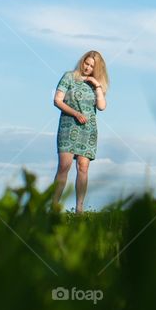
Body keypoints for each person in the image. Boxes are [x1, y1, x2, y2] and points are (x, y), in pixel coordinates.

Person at [51, 51, 109, 213]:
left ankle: (79, 210)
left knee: (83, 167)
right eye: (87, 63)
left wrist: (96, 85)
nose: (88, 67)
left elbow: (102, 107)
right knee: (64, 166)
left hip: (88, 130)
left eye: (92, 66)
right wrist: (75, 113)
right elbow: (57, 100)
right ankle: (54, 207)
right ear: (82, 61)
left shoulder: (96, 84)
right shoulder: (69, 77)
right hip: (68, 126)